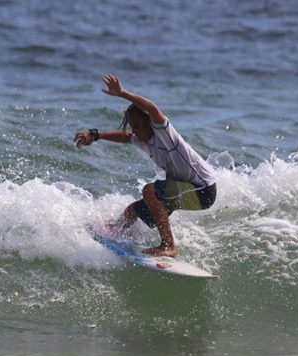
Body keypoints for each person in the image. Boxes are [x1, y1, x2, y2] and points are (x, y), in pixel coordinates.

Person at [74, 75, 217, 257]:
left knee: (150, 190)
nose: (135, 131)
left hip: (203, 190)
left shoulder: (164, 134)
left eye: (139, 126)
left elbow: (152, 108)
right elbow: (126, 137)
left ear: (150, 122)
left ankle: (168, 246)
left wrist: (122, 93)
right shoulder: (142, 138)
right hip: (186, 189)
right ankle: (114, 232)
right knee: (133, 211)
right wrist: (96, 135)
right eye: (133, 126)